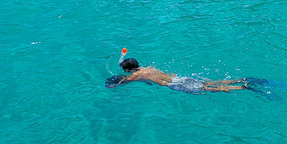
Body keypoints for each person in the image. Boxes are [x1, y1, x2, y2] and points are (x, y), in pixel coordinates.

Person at [105, 49, 275, 96]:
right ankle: (241, 79)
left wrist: (112, 83)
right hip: (179, 78)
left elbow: (121, 82)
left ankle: (243, 87)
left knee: (210, 89)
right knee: (210, 83)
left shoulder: (135, 76)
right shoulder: (147, 68)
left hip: (175, 85)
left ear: (128, 70)